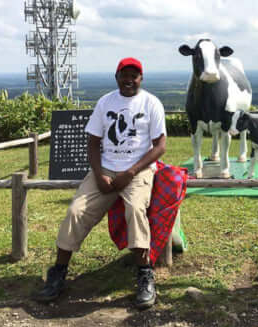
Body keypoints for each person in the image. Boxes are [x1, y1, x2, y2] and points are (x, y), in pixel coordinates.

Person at [36, 57, 167, 308]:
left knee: (136, 211)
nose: (129, 80)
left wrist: (130, 172)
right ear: (116, 77)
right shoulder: (105, 102)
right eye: (124, 75)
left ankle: (144, 276)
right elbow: (93, 143)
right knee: (76, 211)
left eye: (134, 75)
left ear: (141, 79)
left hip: (137, 171)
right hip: (105, 169)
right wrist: (99, 175)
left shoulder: (152, 103)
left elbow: (160, 146)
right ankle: (58, 273)